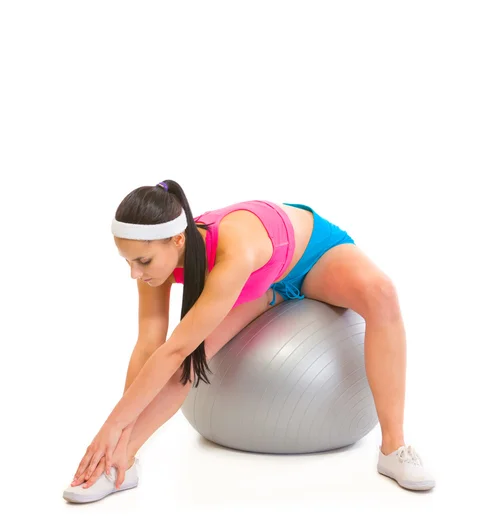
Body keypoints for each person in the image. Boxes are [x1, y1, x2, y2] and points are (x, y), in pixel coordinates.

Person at [63, 179, 435, 503]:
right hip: (258, 286)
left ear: (177, 239)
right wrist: (119, 432)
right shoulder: (154, 265)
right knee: (189, 363)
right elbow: (150, 345)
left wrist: (109, 426)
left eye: (142, 261)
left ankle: (394, 447)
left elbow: (174, 347)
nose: (134, 273)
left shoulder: (233, 252)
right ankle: (120, 464)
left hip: (311, 255)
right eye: (127, 262)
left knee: (382, 293)